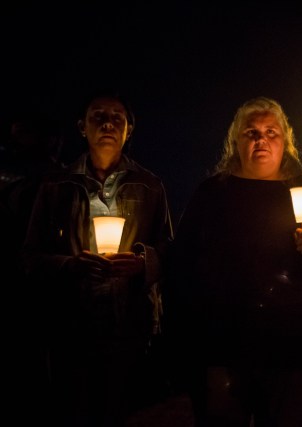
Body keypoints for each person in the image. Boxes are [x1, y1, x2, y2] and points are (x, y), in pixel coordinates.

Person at [165, 96, 302, 427]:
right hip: (225, 344)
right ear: (235, 141)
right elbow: (183, 261)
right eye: (252, 132)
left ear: (285, 140)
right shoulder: (212, 194)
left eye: (271, 132)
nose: (262, 139)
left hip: (294, 346)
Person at [22, 89, 174, 427]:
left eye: (117, 117)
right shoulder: (55, 185)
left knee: (121, 412)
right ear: (82, 127)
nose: (108, 123)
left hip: (130, 324)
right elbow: (30, 256)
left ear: (129, 130)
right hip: (69, 326)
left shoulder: (150, 186)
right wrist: (71, 266)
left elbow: (169, 251)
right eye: (98, 116)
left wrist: (142, 262)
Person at [1, 101, 64, 423]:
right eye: (16, 134)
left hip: (46, 291)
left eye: (27, 133)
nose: (17, 141)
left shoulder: (58, 180)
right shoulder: (12, 178)